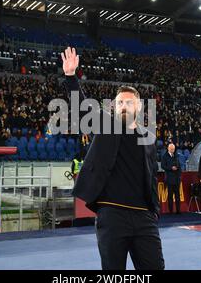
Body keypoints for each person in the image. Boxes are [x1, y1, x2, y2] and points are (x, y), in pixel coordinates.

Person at [62, 47, 164, 270]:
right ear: (114, 107)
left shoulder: (148, 137)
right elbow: (82, 108)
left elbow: (151, 175)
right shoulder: (107, 125)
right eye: (119, 103)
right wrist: (71, 77)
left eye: (128, 102)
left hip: (144, 217)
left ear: (138, 105)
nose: (124, 106)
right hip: (112, 214)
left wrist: (154, 210)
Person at [161, 143, 182, 214]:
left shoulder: (176, 156)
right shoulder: (165, 156)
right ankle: (170, 211)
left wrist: (179, 175)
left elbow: (179, 166)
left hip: (176, 179)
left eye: (173, 149)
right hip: (169, 179)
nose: (173, 150)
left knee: (177, 196)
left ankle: (178, 210)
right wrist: (171, 168)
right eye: (171, 149)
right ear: (168, 148)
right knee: (170, 196)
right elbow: (163, 166)